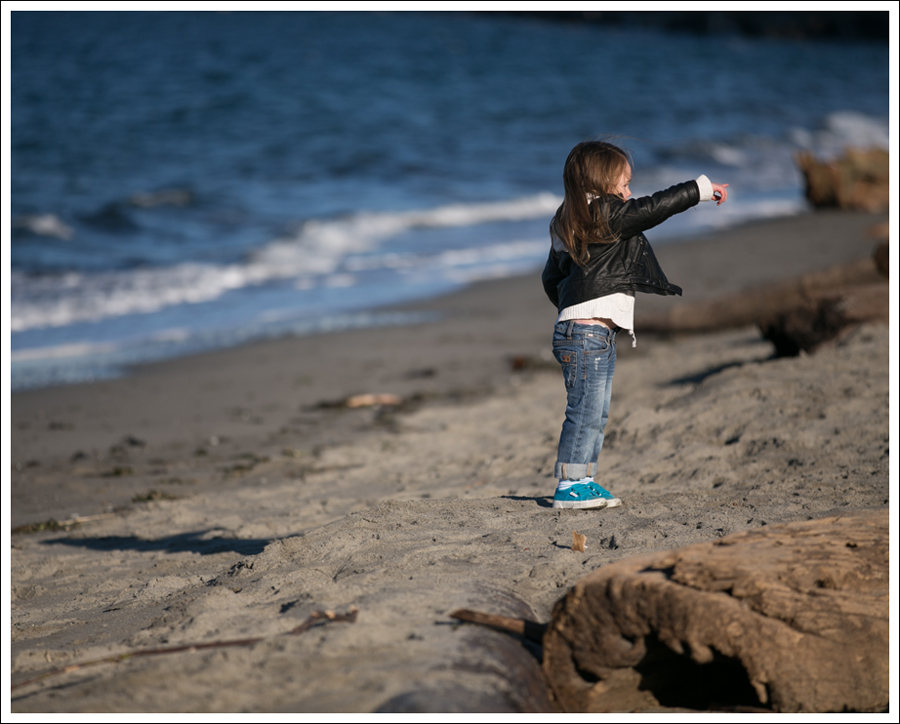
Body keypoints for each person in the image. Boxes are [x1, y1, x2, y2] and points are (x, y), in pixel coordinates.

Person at [542, 140, 728, 510]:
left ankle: (585, 478)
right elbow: (652, 209)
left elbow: (552, 278)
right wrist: (699, 190)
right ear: (601, 181)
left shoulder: (572, 221)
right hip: (586, 334)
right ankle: (569, 484)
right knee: (585, 410)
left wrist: (568, 308)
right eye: (623, 184)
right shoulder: (604, 214)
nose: (629, 193)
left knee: (597, 410)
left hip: (588, 333)